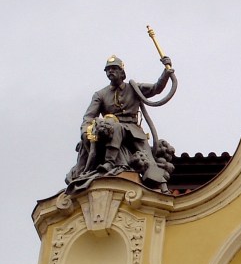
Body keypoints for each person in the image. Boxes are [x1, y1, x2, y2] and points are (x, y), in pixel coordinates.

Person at [66, 54, 174, 193]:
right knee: (114, 128)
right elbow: (89, 117)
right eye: (108, 69)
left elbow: (156, 89)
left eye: (114, 68)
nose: (110, 71)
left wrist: (166, 73)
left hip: (134, 130)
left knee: (149, 162)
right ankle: (109, 163)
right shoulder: (100, 94)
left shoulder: (133, 88)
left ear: (122, 72)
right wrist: (86, 131)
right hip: (111, 130)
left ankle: (162, 188)